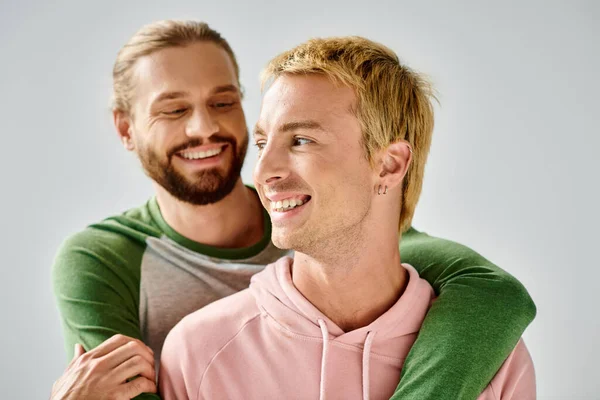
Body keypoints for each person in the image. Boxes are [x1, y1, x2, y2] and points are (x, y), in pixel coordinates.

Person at [51, 21, 536, 400]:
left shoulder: (331, 217)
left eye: (223, 101)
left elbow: (493, 292)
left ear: (389, 165)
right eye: (173, 110)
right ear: (125, 129)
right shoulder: (114, 267)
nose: (203, 128)